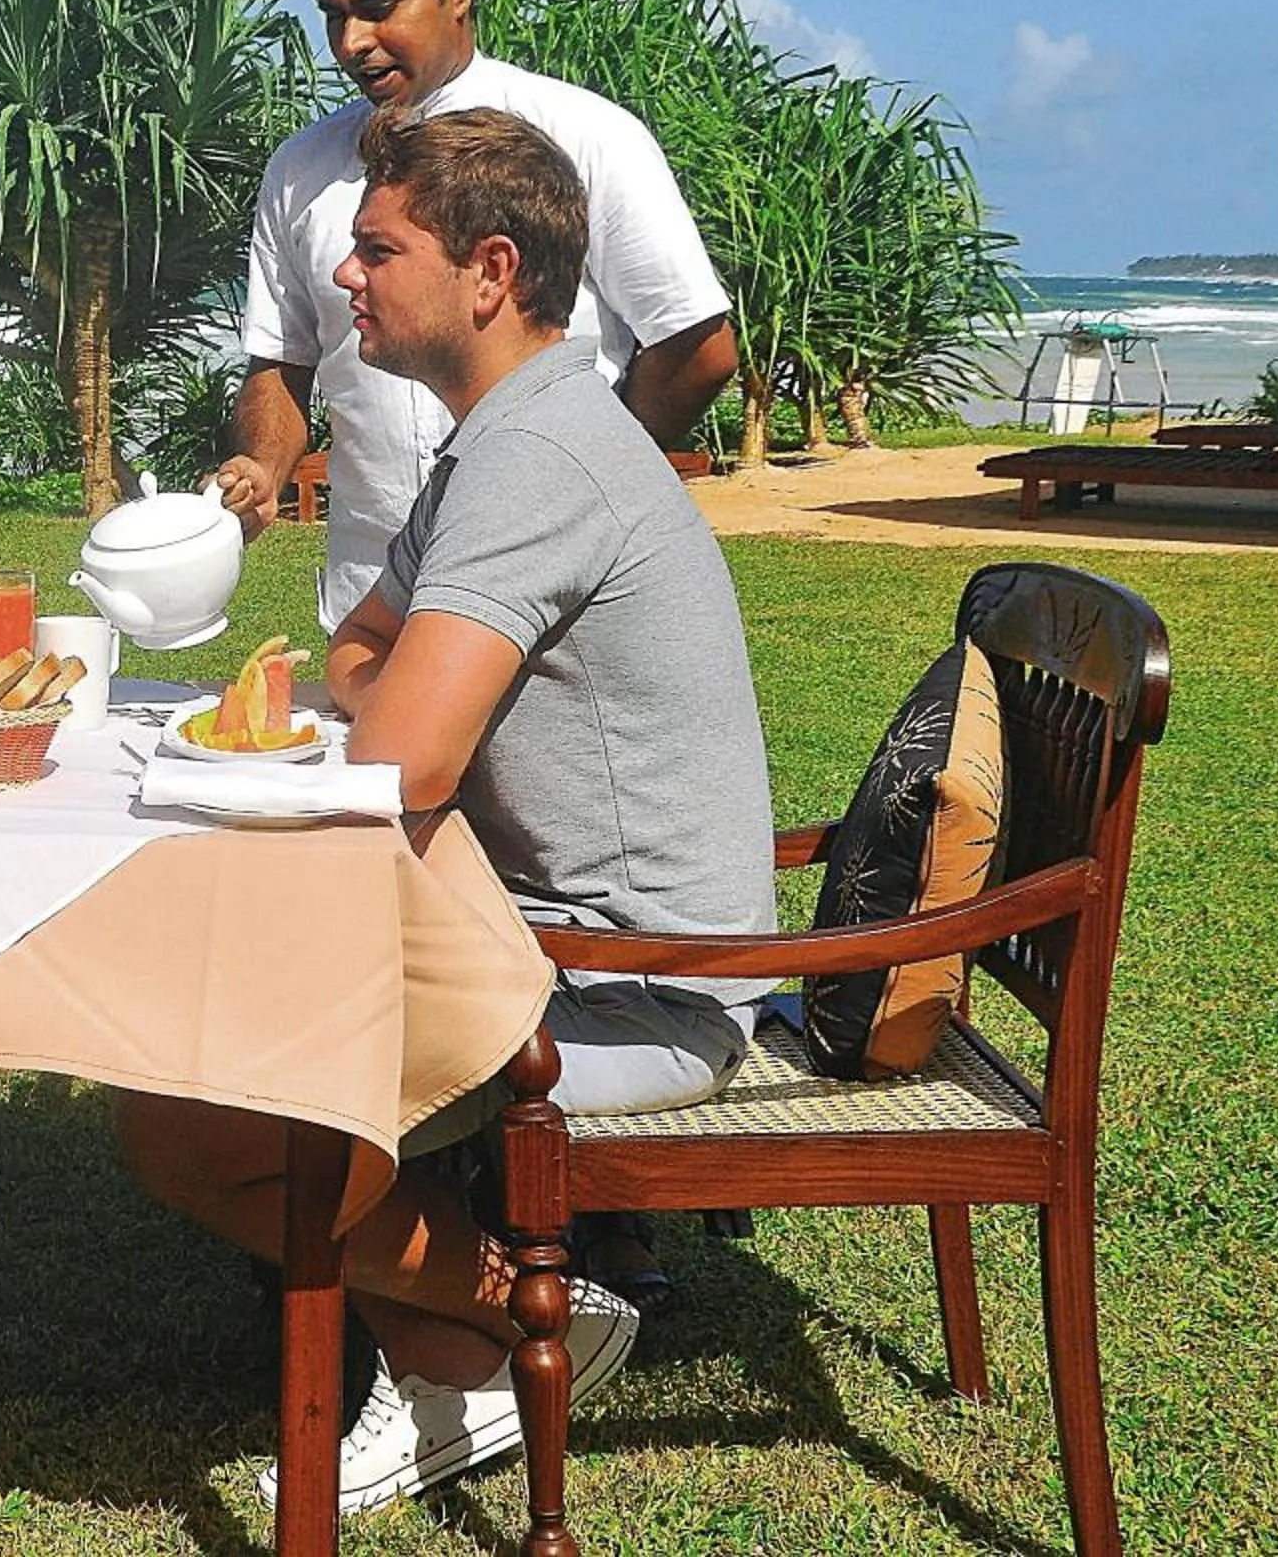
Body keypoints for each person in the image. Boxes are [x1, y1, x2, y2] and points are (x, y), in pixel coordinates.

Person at [118, 107, 777, 1514]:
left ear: (487, 270)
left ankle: (514, 1316)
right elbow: (356, 650)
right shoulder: (497, 442)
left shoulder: (539, 459)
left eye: (375, 249)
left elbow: (400, 754)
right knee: (197, 1063)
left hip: (634, 986)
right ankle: (459, 1346)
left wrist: (396, 689)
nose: (345, 279)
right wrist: (392, 682)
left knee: (206, 1119)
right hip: (534, 927)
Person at [212, 0, 741, 638]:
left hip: (556, 612)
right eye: (333, 16)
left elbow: (696, 342)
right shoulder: (301, 172)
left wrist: (581, 488)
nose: (353, 43)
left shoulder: (584, 137)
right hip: (371, 613)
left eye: (379, 7)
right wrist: (264, 466)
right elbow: (281, 362)